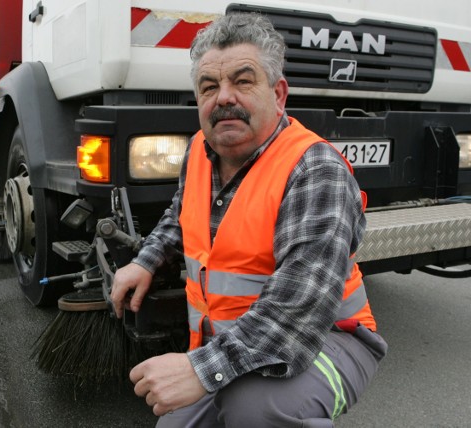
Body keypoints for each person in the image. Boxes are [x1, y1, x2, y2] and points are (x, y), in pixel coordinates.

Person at [110, 12, 387, 427]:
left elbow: (299, 304)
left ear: (278, 94)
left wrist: (201, 370)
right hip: (238, 343)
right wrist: (145, 260)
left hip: (328, 337)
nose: (223, 97)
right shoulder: (199, 153)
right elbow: (179, 216)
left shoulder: (314, 169)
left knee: (254, 407)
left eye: (242, 81)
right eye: (209, 87)